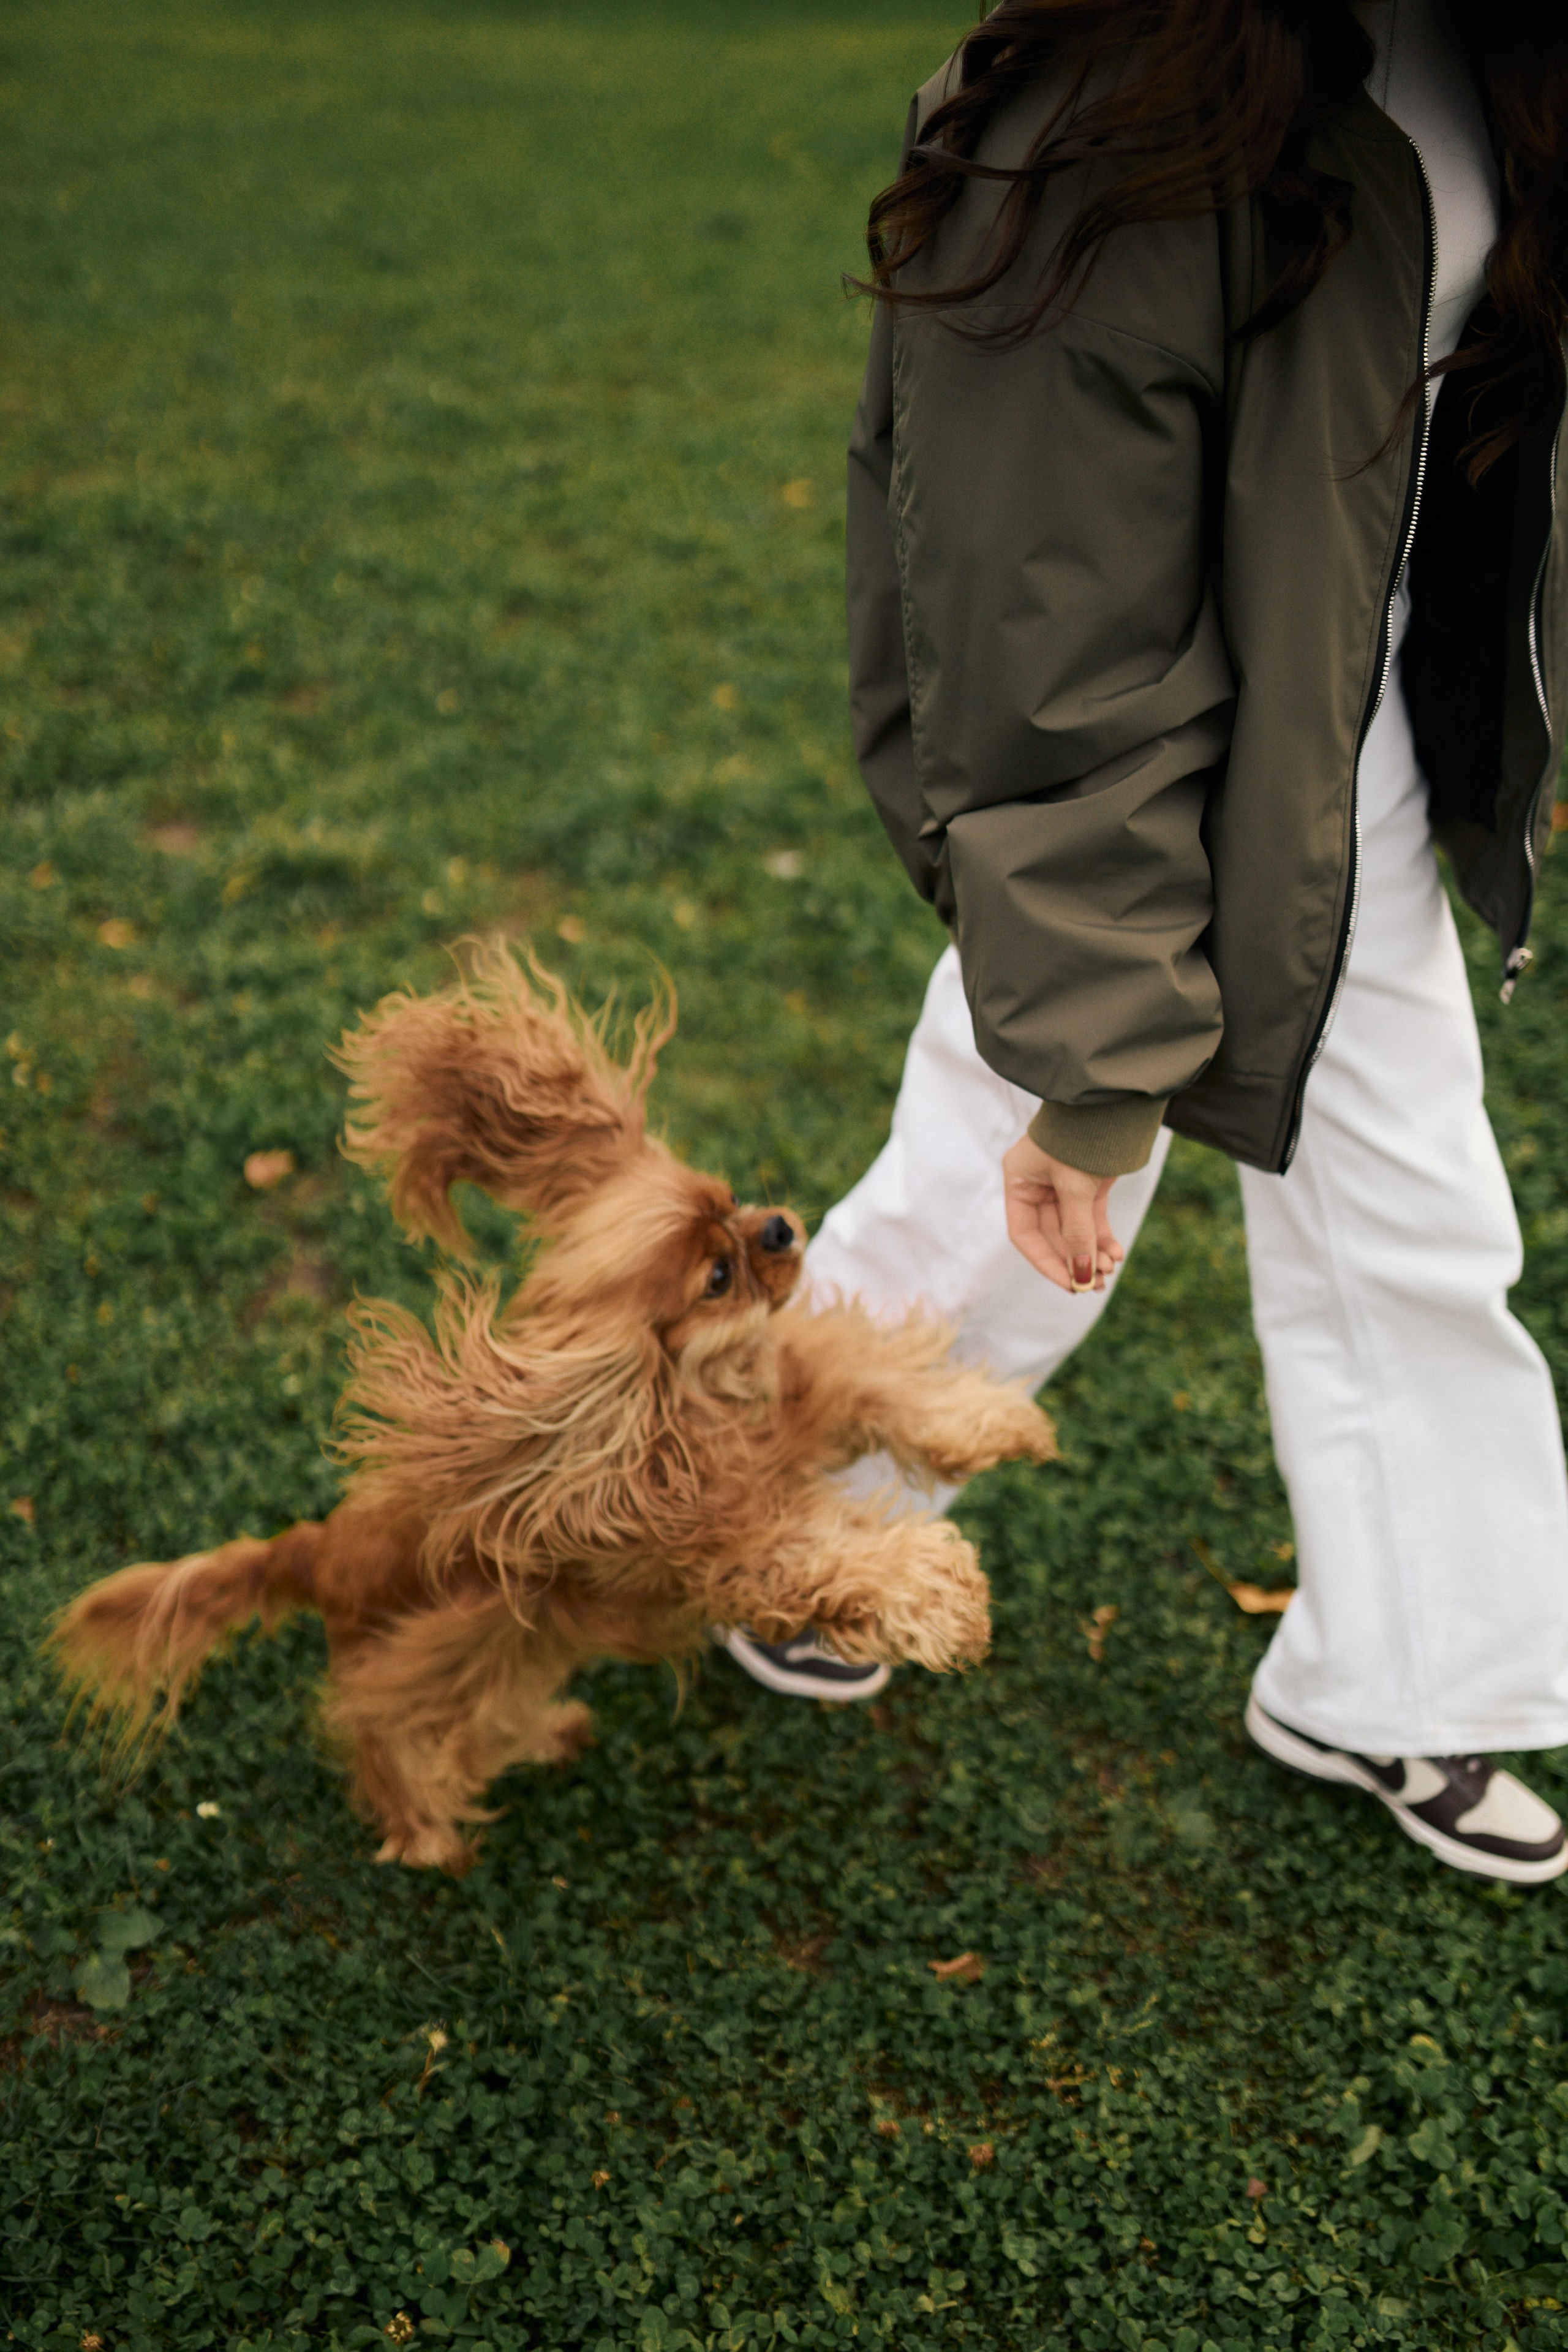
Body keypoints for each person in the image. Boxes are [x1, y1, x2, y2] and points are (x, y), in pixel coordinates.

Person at [717, 0, 1568, 1885]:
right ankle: (793, 1511)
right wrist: (1102, 1063)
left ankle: (1404, 1680)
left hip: (1364, 763)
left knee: (1418, 1210)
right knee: (1014, 1191)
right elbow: (1047, 640)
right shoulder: (1105, 120)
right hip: (1150, 771)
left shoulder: (1506, 49)